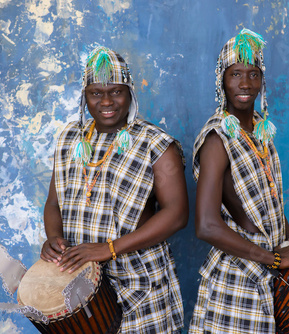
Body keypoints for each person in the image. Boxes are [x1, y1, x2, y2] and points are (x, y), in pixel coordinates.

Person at [40, 46, 188, 333]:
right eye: (96, 92)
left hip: (139, 283)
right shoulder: (70, 138)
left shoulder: (154, 143)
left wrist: (109, 249)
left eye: (116, 91)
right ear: (85, 95)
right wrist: (54, 240)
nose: (106, 101)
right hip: (81, 282)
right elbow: (53, 205)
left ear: (130, 93)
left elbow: (178, 214)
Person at [189, 29, 289, 333]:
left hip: (265, 272)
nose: (245, 83)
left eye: (253, 74)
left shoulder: (261, 130)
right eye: (235, 74)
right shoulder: (217, 138)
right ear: (222, 79)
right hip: (237, 280)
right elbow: (206, 226)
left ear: (263, 79)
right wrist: (274, 258)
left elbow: (266, 200)